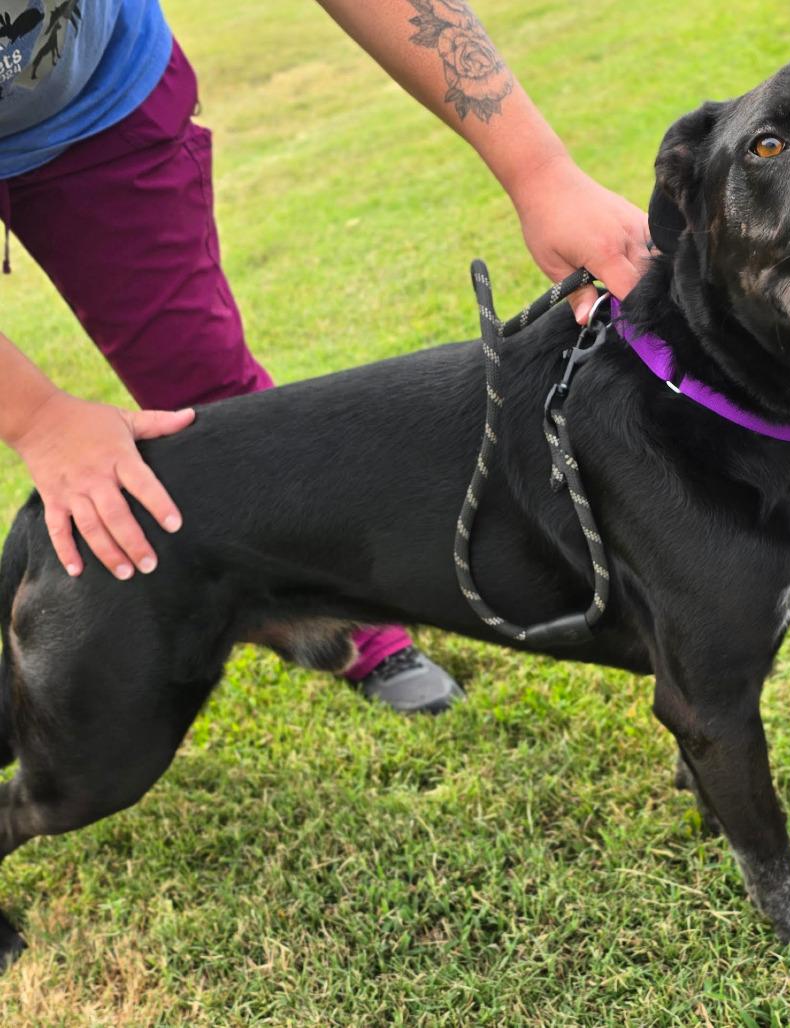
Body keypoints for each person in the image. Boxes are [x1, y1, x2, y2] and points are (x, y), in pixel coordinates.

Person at [0, 0, 649, 712]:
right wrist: (38, 418)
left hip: (98, 106)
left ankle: (351, 625)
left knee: (217, 401)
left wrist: (540, 171)